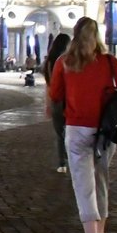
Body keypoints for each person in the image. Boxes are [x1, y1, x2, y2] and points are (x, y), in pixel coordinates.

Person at [48, 17, 117, 233]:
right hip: (106, 130)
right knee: (102, 180)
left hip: (78, 127)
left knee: (83, 185)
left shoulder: (64, 62)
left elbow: (55, 94)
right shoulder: (111, 62)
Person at [41, 33, 72, 174]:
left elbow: (49, 85)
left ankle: (62, 163)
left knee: (60, 134)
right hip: (69, 100)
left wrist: (47, 104)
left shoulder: (49, 62)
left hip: (55, 100)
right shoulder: (68, 61)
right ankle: (71, 158)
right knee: (71, 131)